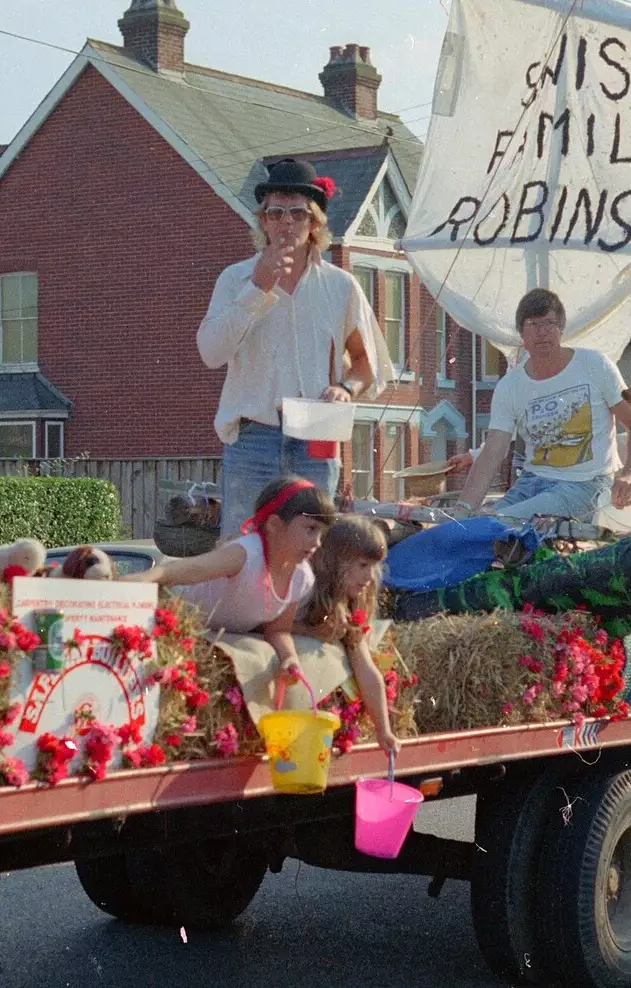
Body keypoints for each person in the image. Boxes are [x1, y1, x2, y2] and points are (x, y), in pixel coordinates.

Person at [197, 158, 395, 535]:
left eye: (298, 214)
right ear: (263, 221)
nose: (286, 222)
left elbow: (368, 364)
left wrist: (345, 388)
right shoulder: (236, 278)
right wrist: (256, 290)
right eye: (275, 213)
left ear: (315, 223)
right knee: (245, 550)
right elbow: (211, 353)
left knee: (312, 551)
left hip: (315, 436)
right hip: (253, 436)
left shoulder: (340, 286)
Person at [452, 289, 631, 521]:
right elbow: (493, 451)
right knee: (474, 524)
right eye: (534, 324)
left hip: (586, 486)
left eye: (550, 324)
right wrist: (462, 510)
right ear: (521, 334)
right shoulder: (510, 385)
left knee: (498, 523)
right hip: (530, 483)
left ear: (561, 329)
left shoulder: (596, 365)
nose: (543, 333)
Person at [127, 477, 336, 684]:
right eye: (310, 529)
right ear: (274, 524)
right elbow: (188, 569)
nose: (318, 542)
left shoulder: (301, 578)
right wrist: (142, 579)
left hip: (211, 636)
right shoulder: (244, 554)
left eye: (321, 533)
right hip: (173, 616)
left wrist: (289, 658)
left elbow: (278, 630)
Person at [294, 516, 399, 754]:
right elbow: (267, 626)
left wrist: (383, 730)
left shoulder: (351, 604)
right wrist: (309, 631)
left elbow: (365, 668)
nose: (370, 577)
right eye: (363, 566)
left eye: (374, 567)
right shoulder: (304, 588)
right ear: (335, 562)